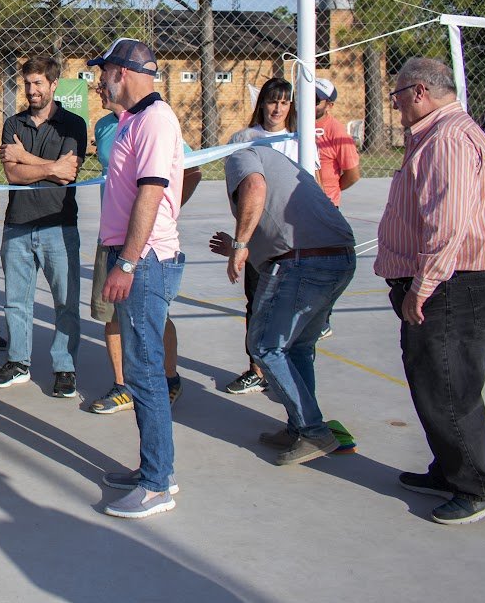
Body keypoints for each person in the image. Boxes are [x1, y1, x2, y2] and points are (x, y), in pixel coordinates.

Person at [376, 57, 485, 525]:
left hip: (460, 284)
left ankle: (482, 484)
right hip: (455, 282)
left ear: (418, 92)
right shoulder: (442, 135)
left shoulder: (448, 139)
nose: (395, 108)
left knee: (448, 387)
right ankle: (453, 470)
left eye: (397, 97)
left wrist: (422, 286)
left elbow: (447, 224)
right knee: (432, 380)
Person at [208, 145, 355, 465]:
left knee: (265, 346)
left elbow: (254, 187)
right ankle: (300, 427)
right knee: (299, 347)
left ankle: (313, 430)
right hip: (338, 257)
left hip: (304, 262)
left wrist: (241, 244)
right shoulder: (283, 166)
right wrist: (237, 247)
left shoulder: (241, 154)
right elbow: (278, 225)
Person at [92, 38, 186, 520]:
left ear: (121, 73)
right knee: (140, 368)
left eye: (102, 73)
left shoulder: (155, 120)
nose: (98, 81)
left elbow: (153, 193)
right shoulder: (133, 121)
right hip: (136, 256)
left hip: (144, 262)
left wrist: (127, 262)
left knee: (145, 372)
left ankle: (157, 484)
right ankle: (155, 468)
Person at [86, 80, 201, 415]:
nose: (98, 88)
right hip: (110, 237)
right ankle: (123, 386)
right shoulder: (105, 126)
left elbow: (190, 171)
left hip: (145, 243)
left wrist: (167, 210)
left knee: (153, 317)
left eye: (104, 78)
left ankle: (169, 378)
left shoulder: (155, 121)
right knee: (111, 315)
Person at [0, 56, 85, 397]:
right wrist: (50, 167)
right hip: (18, 225)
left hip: (58, 226)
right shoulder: (13, 123)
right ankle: (18, 362)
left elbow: (68, 173)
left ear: (54, 84)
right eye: (28, 83)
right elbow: (12, 174)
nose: (32, 90)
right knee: (16, 301)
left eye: (39, 83)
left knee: (65, 301)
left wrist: (25, 158)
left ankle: (65, 368)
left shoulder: (73, 124)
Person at [224, 75, 298, 396]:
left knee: (290, 307)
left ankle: (285, 367)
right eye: (272, 101)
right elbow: (241, 189)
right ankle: (256, 368)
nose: (277, 108)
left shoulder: (300, 140)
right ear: (262, 103)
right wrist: (242, 238)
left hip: (294, 239)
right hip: (259, 238)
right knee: (256, 303)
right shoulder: (245, 137)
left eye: (284, 102)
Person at [313, 78, 360, 207]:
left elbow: (353, 175)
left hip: (324, 204)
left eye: (316, 100)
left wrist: (331, 190)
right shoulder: (294, 123)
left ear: (329, 105)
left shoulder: (336, 131)